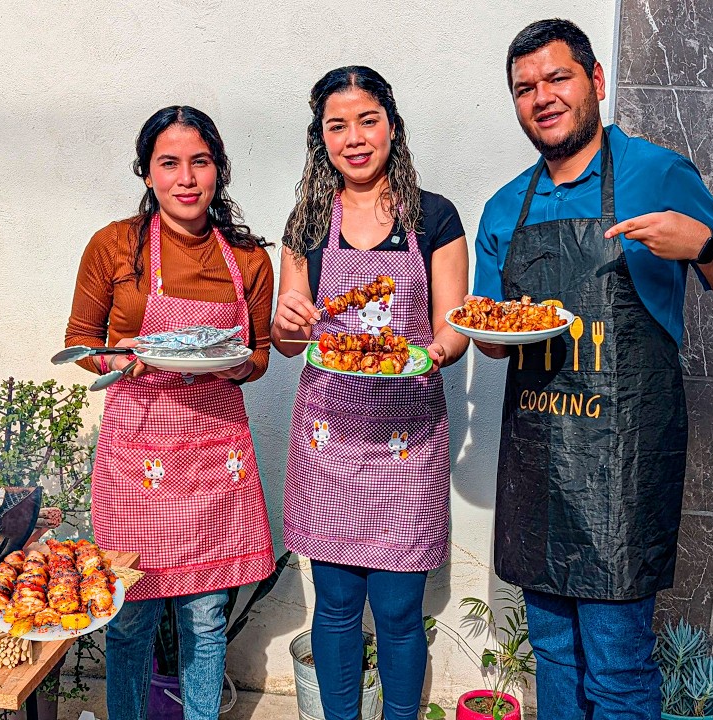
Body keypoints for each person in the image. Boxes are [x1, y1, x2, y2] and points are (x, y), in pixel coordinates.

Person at [473, 19, 713, 719]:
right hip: (538, 466)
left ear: (596, 82)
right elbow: (488, 338)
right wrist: (485, 328)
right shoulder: (503, 207)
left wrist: (699, 244)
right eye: (524, 88)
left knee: (616, 668)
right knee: (552, 658)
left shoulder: (657, 173)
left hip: (622, 472)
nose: (541, 97)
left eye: (557, 78)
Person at [64, 106, 275, 720]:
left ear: (219, 172)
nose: (186, 178)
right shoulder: (114, 246)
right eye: (169, 164)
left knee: (206, 621)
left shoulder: (249, 259)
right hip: (138, 455)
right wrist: (119, 361)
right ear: (148, 174)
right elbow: (81, 339)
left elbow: (258, 356)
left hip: (216, 457)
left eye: (200, 163)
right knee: (131, 620)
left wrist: (230, 364)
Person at [271, 66, 469, 720]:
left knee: (397, 609)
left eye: (367, 120)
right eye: (337, 125)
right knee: (333, 604)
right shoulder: (305, 223)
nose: (354, 138)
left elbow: (453, 329)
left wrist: (433, 352)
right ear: (319, 136)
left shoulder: (433, 216)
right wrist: (285, 324)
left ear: (392, 126)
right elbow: (291, 340)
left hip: (407, 443)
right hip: (329, 440)